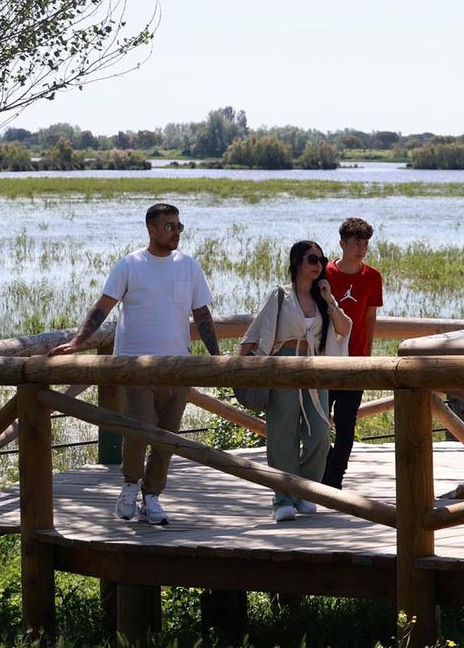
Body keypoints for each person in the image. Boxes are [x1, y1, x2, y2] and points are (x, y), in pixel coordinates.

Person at [53, 203, 219, 526]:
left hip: (177, 366)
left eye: (179, 226)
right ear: (151, 229)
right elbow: (103, 307)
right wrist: (77, 342)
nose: (176, 232)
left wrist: (216, 357)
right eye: (169, 226)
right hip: (135, 364)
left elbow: (202, 315)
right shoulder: (130, 265)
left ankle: (152, 496)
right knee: (138, 430)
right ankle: (130, 486)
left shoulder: (189, 266)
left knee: (167, 437)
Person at [240, 241, 352, 522]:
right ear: (297, 262)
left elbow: (343, 329)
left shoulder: (322, 299)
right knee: (283, 435)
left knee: (320, 433)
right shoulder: (280, 295)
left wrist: (330, 299)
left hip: (314, 369)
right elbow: (254, 335)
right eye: (312, 259)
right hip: (283, 366)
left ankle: (306, 491)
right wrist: (236, 368)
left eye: (322, 260)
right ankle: (283, 498)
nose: (318, 265)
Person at [322, 217, 384, 489]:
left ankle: (335, 479)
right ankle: (322, 472)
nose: (361, 249)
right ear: (342, 243)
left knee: (346, 424)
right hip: (325, 360)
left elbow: (370, 319)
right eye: (356, 243)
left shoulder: (372, 277)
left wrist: (366, 358)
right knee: (318, 423)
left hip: (356, 361)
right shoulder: (324, 273)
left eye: (365, 244)